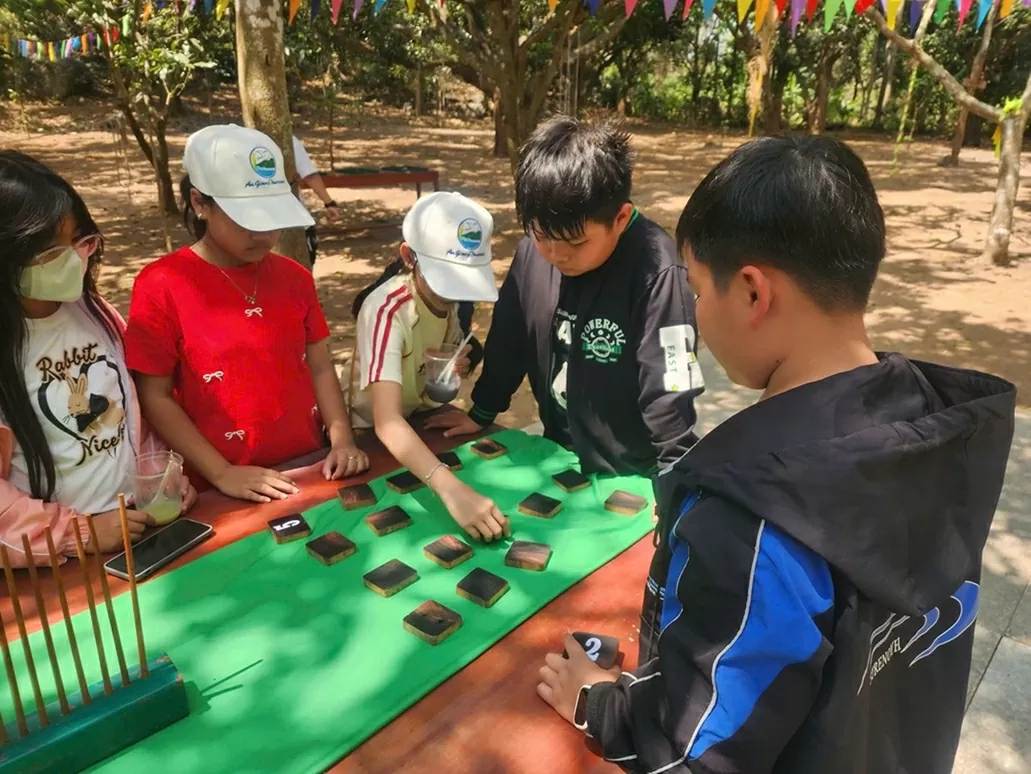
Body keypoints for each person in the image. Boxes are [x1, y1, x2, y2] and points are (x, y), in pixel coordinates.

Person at [536, 137, 1016, 774]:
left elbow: (698, 755)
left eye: (701, 291)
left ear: (755, 292)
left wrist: (599, 706)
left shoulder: (753, 516)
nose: (699, 315)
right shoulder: (941, 427)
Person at [427, 116, 704, 477]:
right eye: (542, 236)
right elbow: (509, 339)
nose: (557, 256)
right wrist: (482, 410)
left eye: (575, 243)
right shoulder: (532, 253)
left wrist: (673, 477)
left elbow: (670, 386)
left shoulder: (659, 272)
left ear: (619, 219)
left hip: (630, 470)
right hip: (556, 454)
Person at [124, 124, 368, 504]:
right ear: (199, 203)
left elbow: (320, 365)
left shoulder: (295, 278)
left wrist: (342, 439)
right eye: (246, 219)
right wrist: (222, 473)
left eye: (272, 217)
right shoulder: (161, 284)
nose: (263, 233)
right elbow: (154, 394)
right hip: (217, 485)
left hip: (311, 465)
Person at [0, 151, 197, 567]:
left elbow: (130, 413)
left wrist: (161, 478)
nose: (75, 259)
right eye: (51, 251)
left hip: (138, 530)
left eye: (82, 241)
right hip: (56, 566)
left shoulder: (95, 312)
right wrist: (80, 534)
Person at [346, 191, 507, 542]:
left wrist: (453, 366)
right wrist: (452, 491)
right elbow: (386, 421)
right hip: (367, 436)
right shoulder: (387, 309)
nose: (455, 291)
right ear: (408, 257)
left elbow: (430, 364)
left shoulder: (449, 303)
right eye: (447, 277)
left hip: (419, 424)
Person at [291, 135, 340, 267]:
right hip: (295, 223)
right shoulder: (288, 140)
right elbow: (310, 175)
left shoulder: (240, 140)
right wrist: (329, 203)